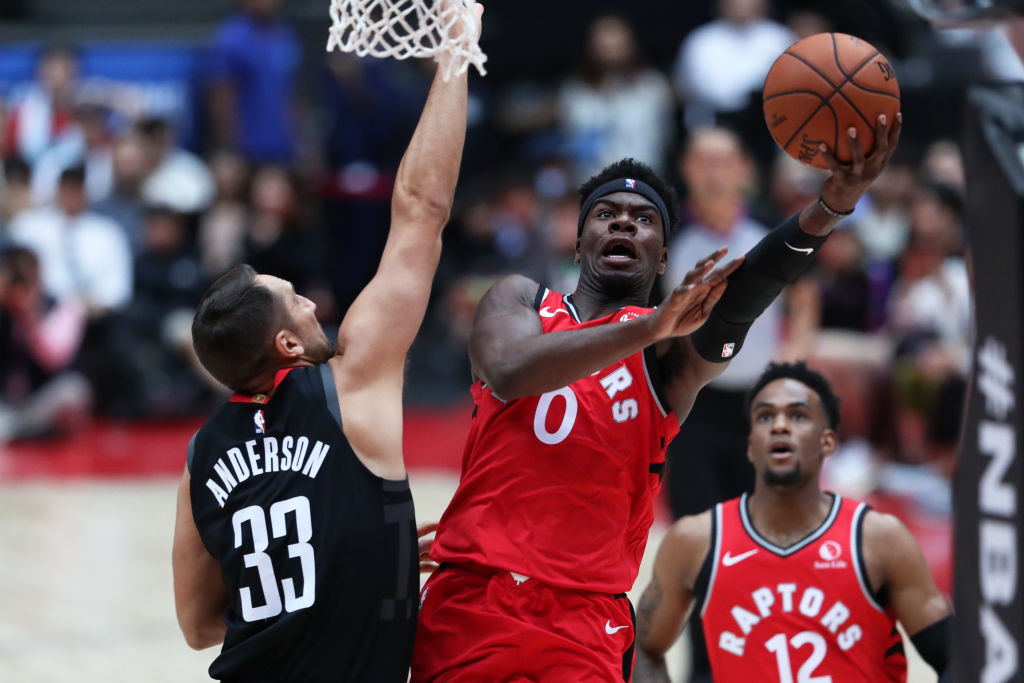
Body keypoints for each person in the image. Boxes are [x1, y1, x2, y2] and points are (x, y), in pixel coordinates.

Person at [412, 112, 903, 681]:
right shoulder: (520, 299)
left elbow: (747, 292)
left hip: (585, 616)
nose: (624, 222)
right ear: (580, 238)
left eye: (644, 219)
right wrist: (646, 328)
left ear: (663, 256)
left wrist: (830, 208)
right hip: (474, 598)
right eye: (606, 214)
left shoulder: (666, 354)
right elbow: (509, 372)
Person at [171, 5, 481, 681]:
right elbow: (421, 210)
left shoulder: (201, 457)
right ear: (285, 343)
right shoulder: (350, 384)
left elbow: (197, 627)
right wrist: (455, 54)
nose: (314, 303)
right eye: (297, 301)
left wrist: (345, 558)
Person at [633, 361, 952, 682]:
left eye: (798, 415)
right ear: (750, 443)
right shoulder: (696, 541)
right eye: (765, 416)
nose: (780, 426)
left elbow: (956, 659)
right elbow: (643, 649)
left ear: (828, 441)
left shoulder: (880, 541)